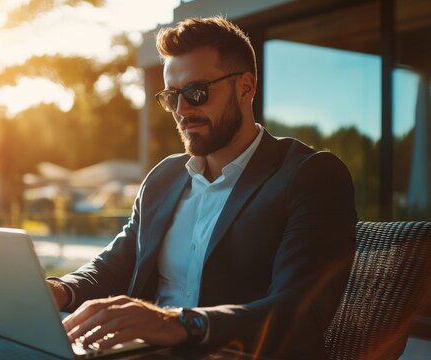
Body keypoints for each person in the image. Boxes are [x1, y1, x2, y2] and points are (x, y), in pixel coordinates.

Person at [46, 16, 357, 359]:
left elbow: (298, 312)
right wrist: (59, 290)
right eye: (172, 97)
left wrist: (176, 323)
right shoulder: (164, 176)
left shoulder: (311, 176)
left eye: (197, 93)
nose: (182, 110)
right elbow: (117, 262)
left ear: (245, 87)